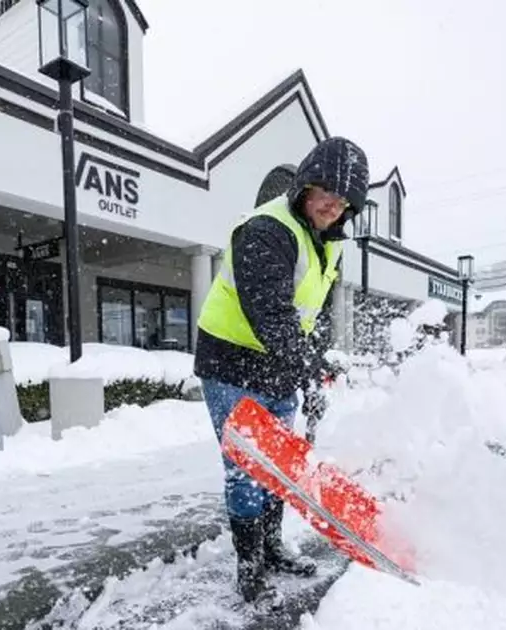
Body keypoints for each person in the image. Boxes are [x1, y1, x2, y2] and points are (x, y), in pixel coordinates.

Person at [193, 137, 369, 603]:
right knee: (247, 468)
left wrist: (313, 369)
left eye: (342, 201)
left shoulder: (328, 243)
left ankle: (271, 546)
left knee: (280, 470)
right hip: (230, 363)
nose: (333, 206)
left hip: (276, 365)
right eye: (325, 194)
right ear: (304, 186)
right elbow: (271, 315)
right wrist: (308, 373)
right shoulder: (266, 231)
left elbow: (307, 316)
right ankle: (249, 567)